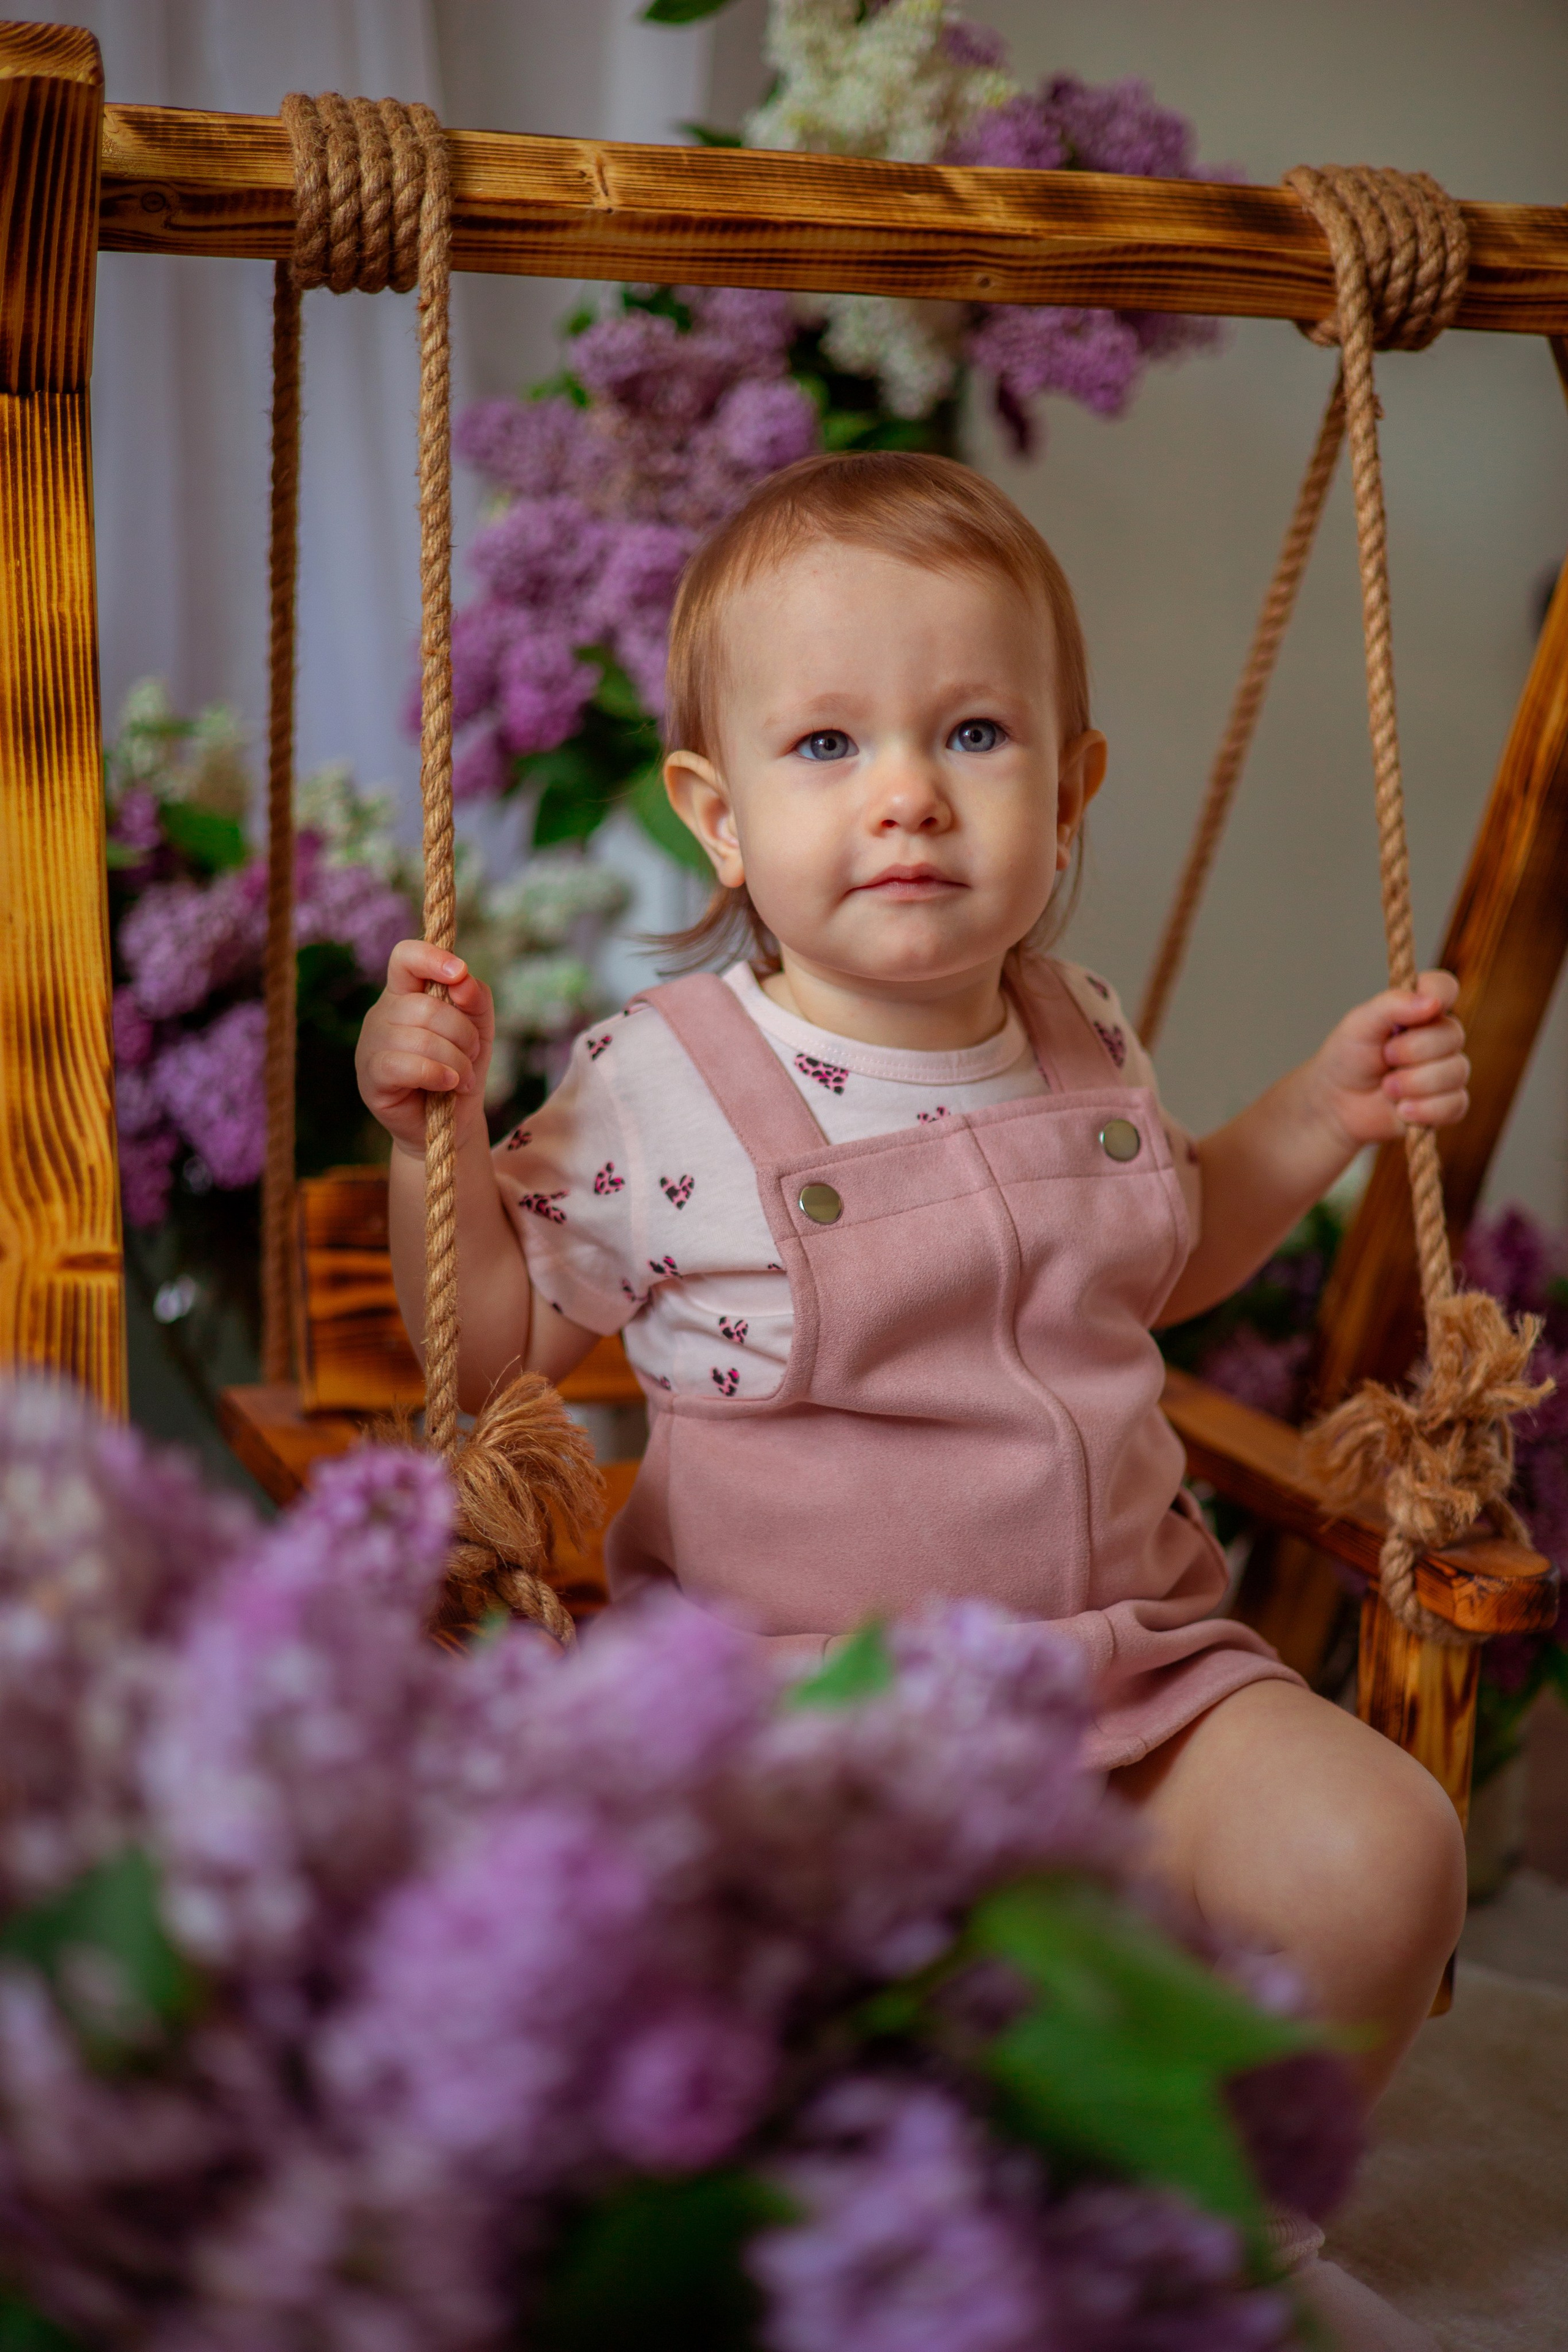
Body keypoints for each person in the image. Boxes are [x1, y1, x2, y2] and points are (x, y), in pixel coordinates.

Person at [359, 453, 1463, 2342]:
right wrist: (431, 1135)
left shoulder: (1081, 1024)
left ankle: (1223, 2231)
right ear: (713, 817)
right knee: (816, 2024)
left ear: (1071, 785)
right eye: (824, 746)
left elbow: (1163, 1249)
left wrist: (1313, 1118)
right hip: (808, 1709)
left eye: (972, 729)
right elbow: (486, 1359)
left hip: (1139, 1669)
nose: (907, 795)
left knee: (1386, 1860)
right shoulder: (662, 1087)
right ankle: (878, 2247)